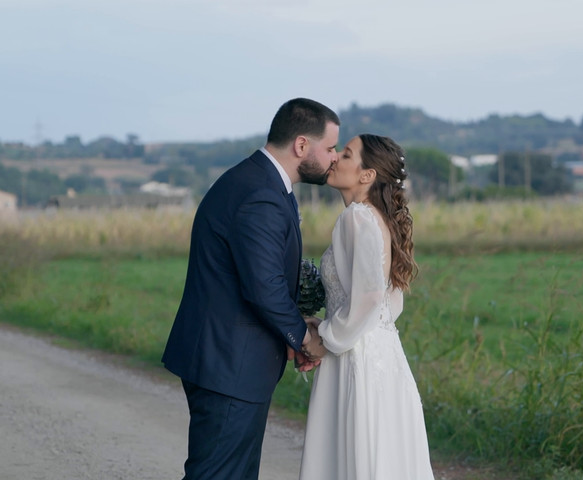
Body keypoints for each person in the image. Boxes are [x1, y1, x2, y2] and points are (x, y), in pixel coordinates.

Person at [161, 98, 339, 480]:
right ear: (302, 146)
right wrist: (301, 337)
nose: (335, 158)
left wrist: (292, 327)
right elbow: (264, 286)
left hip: (230, 358)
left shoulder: (259, 182)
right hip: (228, 362)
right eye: (330, 148)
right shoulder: (259, 192)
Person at [298, 134, 436, 479]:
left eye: (345, 155)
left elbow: (372, 297)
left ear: (366, 175)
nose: (335, 159)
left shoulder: (356, 217)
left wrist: (327, 336)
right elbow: (392, 304)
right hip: (385, 354)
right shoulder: (378, 218)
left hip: (354, 356)